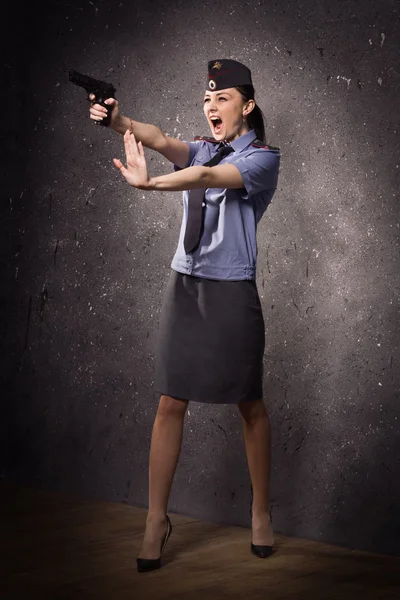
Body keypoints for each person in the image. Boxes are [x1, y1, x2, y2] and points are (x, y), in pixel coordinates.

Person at [88, 59, 280, 572]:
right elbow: (163, 141)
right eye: (207, 99)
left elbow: (208, 175)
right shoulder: (202, 143)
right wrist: (119, 122)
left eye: (222, 98)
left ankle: (261, 512)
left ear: (247, 105)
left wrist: (150, 187)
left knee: (249, 403)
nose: (211, 106)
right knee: (169, 401)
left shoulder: (262, 159)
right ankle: (156, 520)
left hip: (232, 291)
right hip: (186, 286)